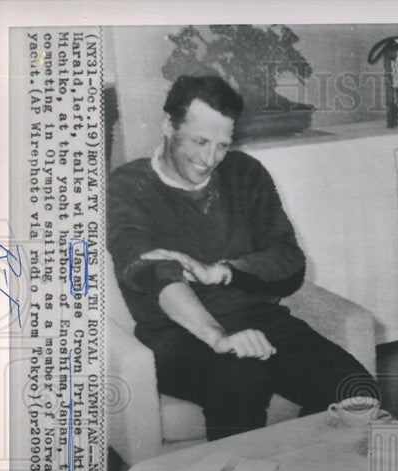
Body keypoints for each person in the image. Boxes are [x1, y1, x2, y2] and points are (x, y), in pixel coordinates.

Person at [107, 75, 373, 441]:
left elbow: (289, 262)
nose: (210, 159)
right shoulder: (128, 186)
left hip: (260, 320)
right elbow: (156, 274)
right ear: (168, 125)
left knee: (355, 390)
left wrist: (224, 272)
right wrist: (218, 337)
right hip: (177, 334)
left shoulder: (245, 174)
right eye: (200, 141)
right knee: (242, 378)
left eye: (222, 145)